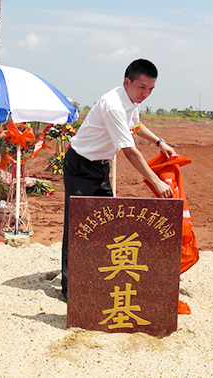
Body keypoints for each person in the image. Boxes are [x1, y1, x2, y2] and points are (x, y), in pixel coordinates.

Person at [61, 59, 175, 298]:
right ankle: (71, 288)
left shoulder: (130, 101)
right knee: (79, 223)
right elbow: (130, 151)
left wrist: (159, 142)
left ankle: (97, 276)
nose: (146, 94)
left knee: (105, 221)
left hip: (101, 167)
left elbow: (136, 126)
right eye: (142, 87)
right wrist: (155, 182)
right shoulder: (113, 104)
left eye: (151, 89)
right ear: (127, 82)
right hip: (81, 165)